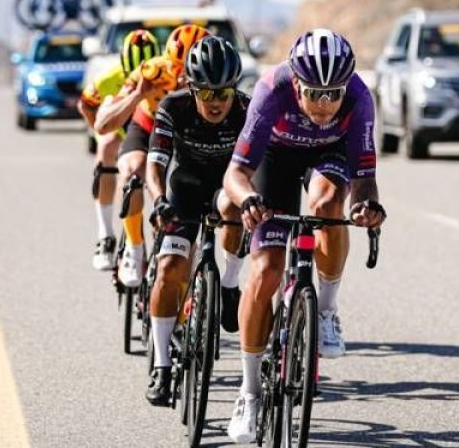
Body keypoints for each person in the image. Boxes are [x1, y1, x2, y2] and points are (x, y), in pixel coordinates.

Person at [222, 29, 387, 443]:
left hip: (328, 158)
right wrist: (247, 202)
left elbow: (365, 176)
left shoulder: (359, 98)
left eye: (333, 94)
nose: (324, 105)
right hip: (274, 159)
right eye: (314, 93)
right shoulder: (271, 90)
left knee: (328, 205)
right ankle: (249, 392)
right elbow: (236, 174)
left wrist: (366, 206)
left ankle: (327, 311)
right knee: (266, 271)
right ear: (296, 82)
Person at [143, 36, 248, 405]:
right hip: (183, 190)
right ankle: (162, 363)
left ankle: (230, 286)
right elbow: (154, 164)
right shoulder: (173, 107)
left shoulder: (247, 110)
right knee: (170, 268)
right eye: (206, 95)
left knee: (234, 209)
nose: (217, 103)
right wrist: (157, 202)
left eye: (224, 94)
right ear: (191, 89)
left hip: (225, 187)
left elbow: (263, 166)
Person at [96, 24, 210, 286]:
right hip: (148, 123)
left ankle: (183, 296)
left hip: (188, 134)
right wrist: (138, 94)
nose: (182, 78)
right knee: (133, 171)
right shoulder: (152, 71)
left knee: (184, 204)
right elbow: (103, 124)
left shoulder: (211, 78)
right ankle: (134, 249)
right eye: (177, 69)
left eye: (190, 72)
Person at [77, 30, 160, 276]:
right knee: (105, 146)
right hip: (123, 130)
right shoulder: (109, 77)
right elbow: (86, 103)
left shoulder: (164, 73)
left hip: (152, 129)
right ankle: (105, 234)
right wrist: (97, 129)